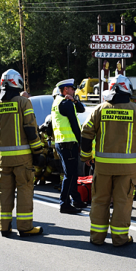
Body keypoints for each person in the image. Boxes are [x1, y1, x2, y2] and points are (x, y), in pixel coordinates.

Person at [81, 75, 136, 246]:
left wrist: (86, 156)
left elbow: (86, 134)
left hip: (102, 168)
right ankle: (120, 239)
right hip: (127, 169)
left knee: (100, 200)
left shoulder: (100, 109)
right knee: (122, 202)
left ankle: (97, 238)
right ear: (128, 89)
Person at [0, 69, 44, 237]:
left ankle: (4, 226)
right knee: (24, 191)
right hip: (22, 159)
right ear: (16, 82)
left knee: (4, 192)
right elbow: (31, 130)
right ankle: (25, 227)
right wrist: (38, 151)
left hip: (3, 159)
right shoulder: (23, 102)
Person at [51, 78, 86, 214]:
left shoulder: (58, 102)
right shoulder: (65, 103)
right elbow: (75, 125)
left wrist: (75, 100)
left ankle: (76, 199)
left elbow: (81, 109)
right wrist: (81, 142)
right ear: (66, 90)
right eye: (72, 89)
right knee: (70, 175)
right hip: (68, 143)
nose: (74, 90)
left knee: (72, 174)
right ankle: (64, 203)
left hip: (62, 142)